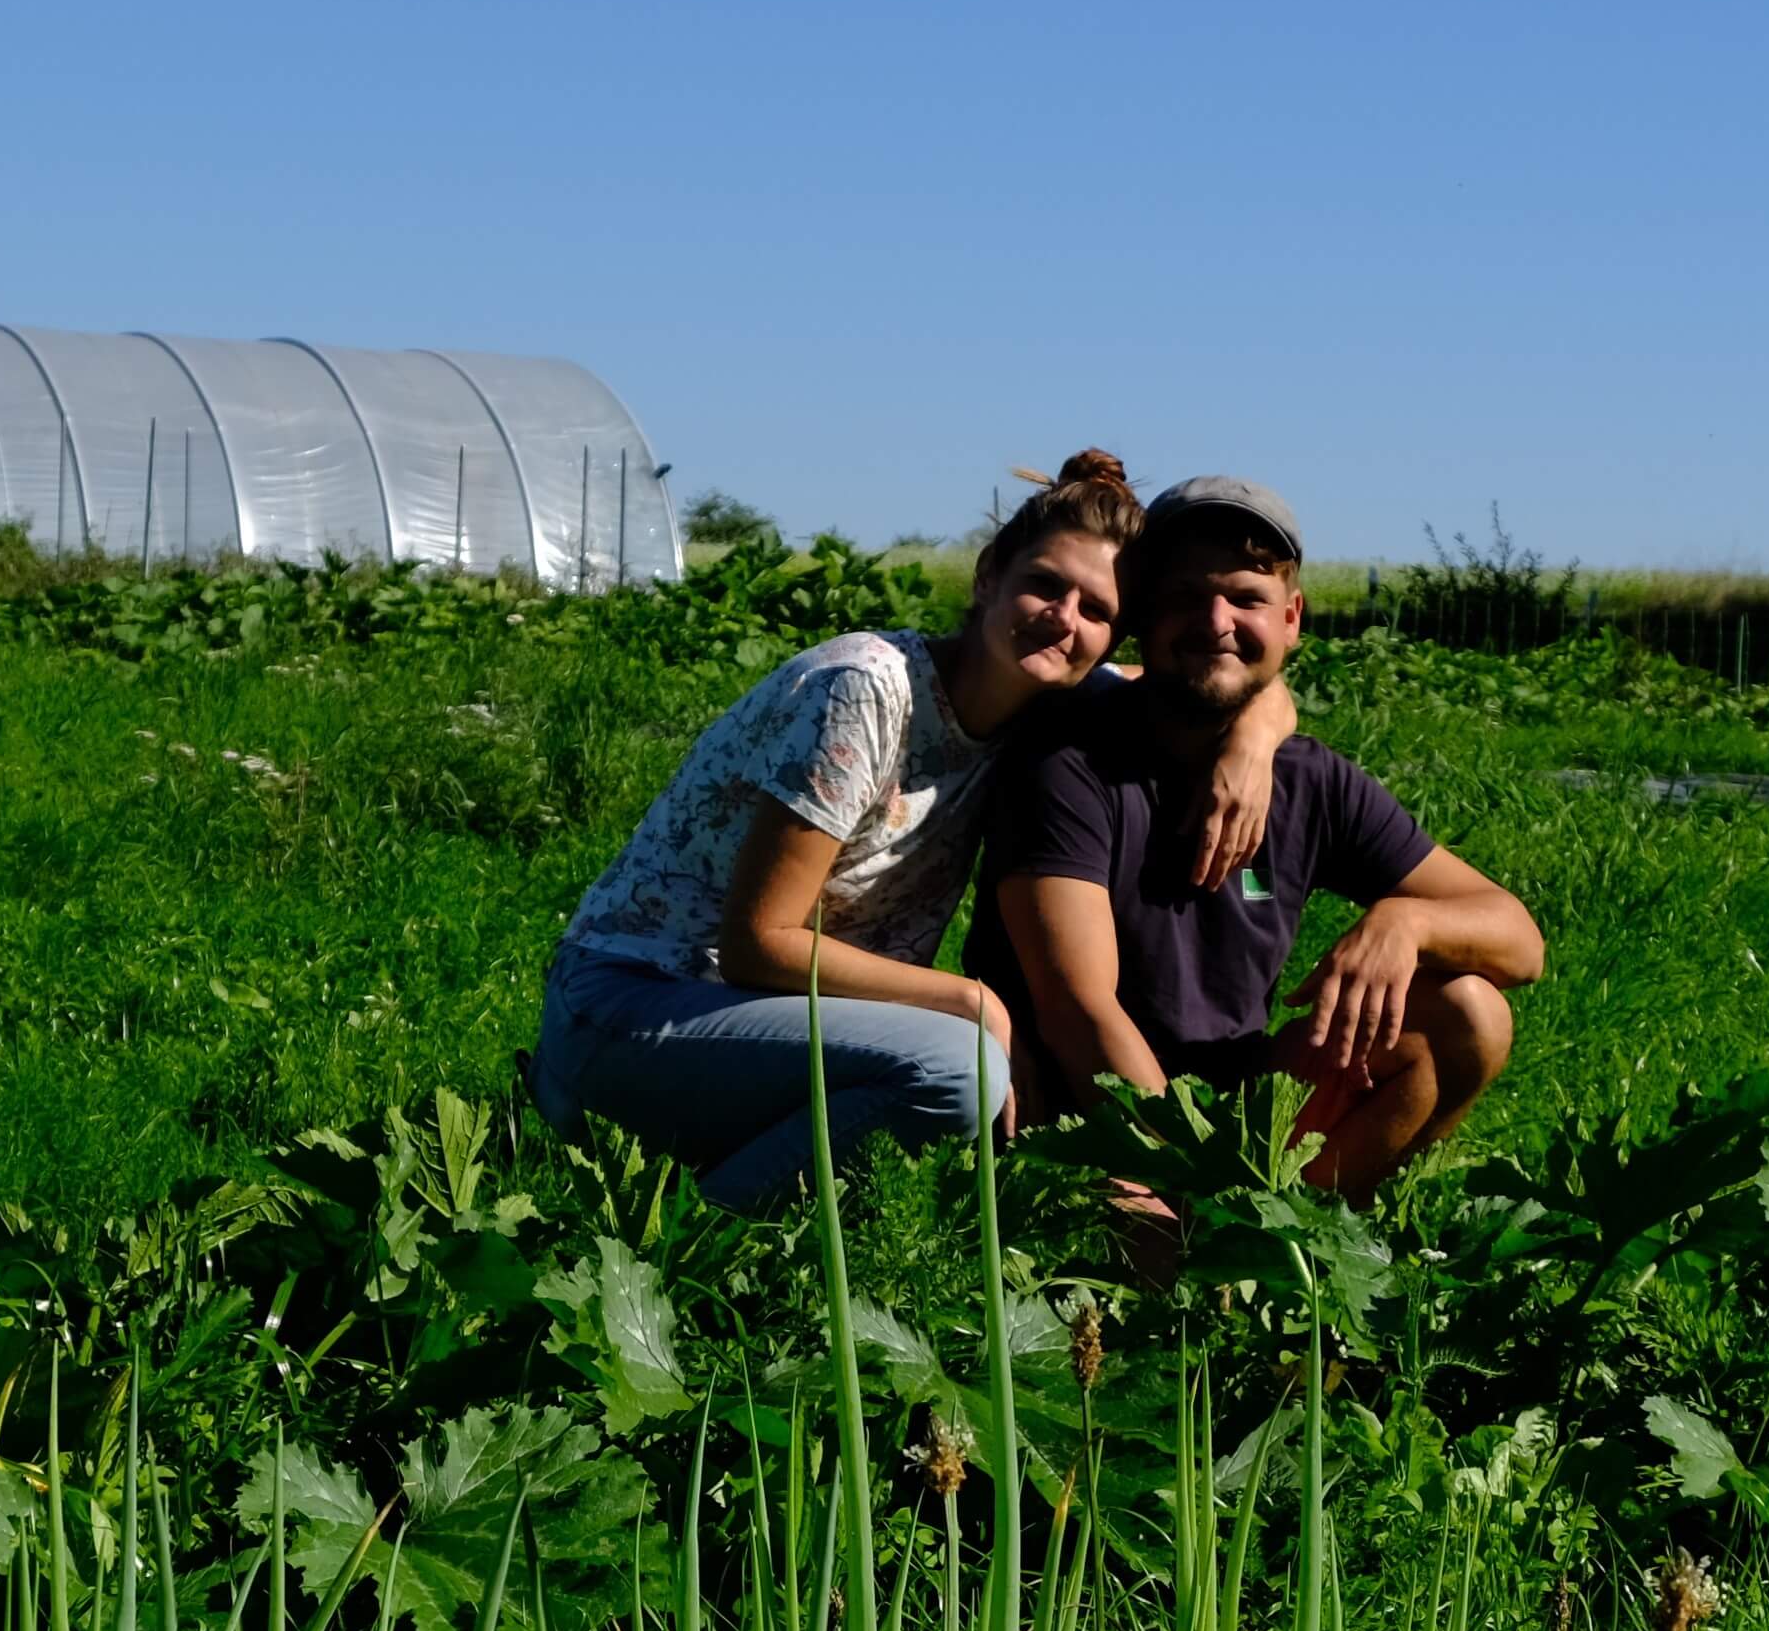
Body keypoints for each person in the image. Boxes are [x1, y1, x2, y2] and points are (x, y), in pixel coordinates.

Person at [532, 453, 1302, 1211]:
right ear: (987, 577)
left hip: (769, 1038)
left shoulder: (1047, 698)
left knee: (958, 1079)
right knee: (957, 1068)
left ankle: (717, 1190)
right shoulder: (865, 688)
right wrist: (972, 1002)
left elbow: (1224, 689)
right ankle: (695, 1242)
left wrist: (1251, 743)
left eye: (1096, 611)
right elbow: (758, 942)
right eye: (1043, 585)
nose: (1064, 619)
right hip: (637, 1008)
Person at [972, 475, 1543, 1200]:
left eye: (1246, 598)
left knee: (1470, 1015)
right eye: (1183, 596)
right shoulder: (1067, 763)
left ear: (1292, 617)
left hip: (1240, 1099)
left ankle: (1296, 1234)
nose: (1215, 622)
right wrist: (1181, 1176)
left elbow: (1520, 943)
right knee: (1141, 1242)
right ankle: (1221, 1234)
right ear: (1144, 609)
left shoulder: (1308, 779)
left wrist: (1408, 921)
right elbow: (1077, 1011)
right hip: (1081, 1115)